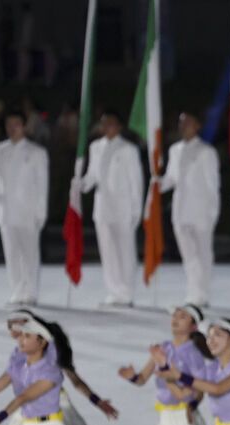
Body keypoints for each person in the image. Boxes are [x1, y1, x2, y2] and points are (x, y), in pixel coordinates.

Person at [79, 110, 144, 306]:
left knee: (125, 250)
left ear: (119, 127)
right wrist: (80, 184)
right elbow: (92, 176)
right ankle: (113, 290)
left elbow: (136, 182)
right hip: (103, 208)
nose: (106, 127)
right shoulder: (95, 147)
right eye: (103, 124)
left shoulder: (128, 149)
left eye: (111, 123)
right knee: (107, 251)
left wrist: (136, 210)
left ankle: (127, 291)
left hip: (123, 207)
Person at [159, 112, 220, 307]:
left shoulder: (207, 151)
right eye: (181, 122)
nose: (184, 126)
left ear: (197, 125)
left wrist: (213, 211)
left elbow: (213, 184)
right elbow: (171, 178)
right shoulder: (175, 150)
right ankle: (193, 292)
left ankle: (203, 293)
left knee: (203, 254)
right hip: (181, 210)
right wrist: (157, 184)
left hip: (202, 211)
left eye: (188, 122)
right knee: (189, 255)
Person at [0, 112, 50, 304]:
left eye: (16, 124)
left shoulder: (36, 152)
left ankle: (31, 292)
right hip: (6, 212)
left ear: (24, 126)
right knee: (11, 255)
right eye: (9, 124)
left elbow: (42, 185)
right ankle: (17, 291)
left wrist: (41, 212)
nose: (12, 128)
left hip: (28, 211)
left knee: (29, 254)